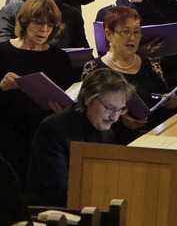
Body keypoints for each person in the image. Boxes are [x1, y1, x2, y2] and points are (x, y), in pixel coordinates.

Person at [25, 68, 134, 206]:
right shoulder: (54, 128)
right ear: (89, 98)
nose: (115, 118)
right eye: (110, 108)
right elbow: (56, 190)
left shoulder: (107, 134)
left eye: (121, 110)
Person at [0, 0, 74, 184]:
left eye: (50, 25)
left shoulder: (59, 59)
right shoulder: (3, 52)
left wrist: (64, 111)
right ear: (24, 21)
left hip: (44, 139)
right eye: (39, 23)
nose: (44, 30)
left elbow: (69, 97)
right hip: (7, 137)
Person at [83, 6, 177, 144]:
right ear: (109, 34)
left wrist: (172, 103)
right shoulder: (95, 68)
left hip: (152, 142)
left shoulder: (151, 65)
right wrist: (120, 116)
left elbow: (164, 104)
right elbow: (87, 112)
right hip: (111, 144)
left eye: (137, 32)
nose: (132, 38)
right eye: (126, 32)